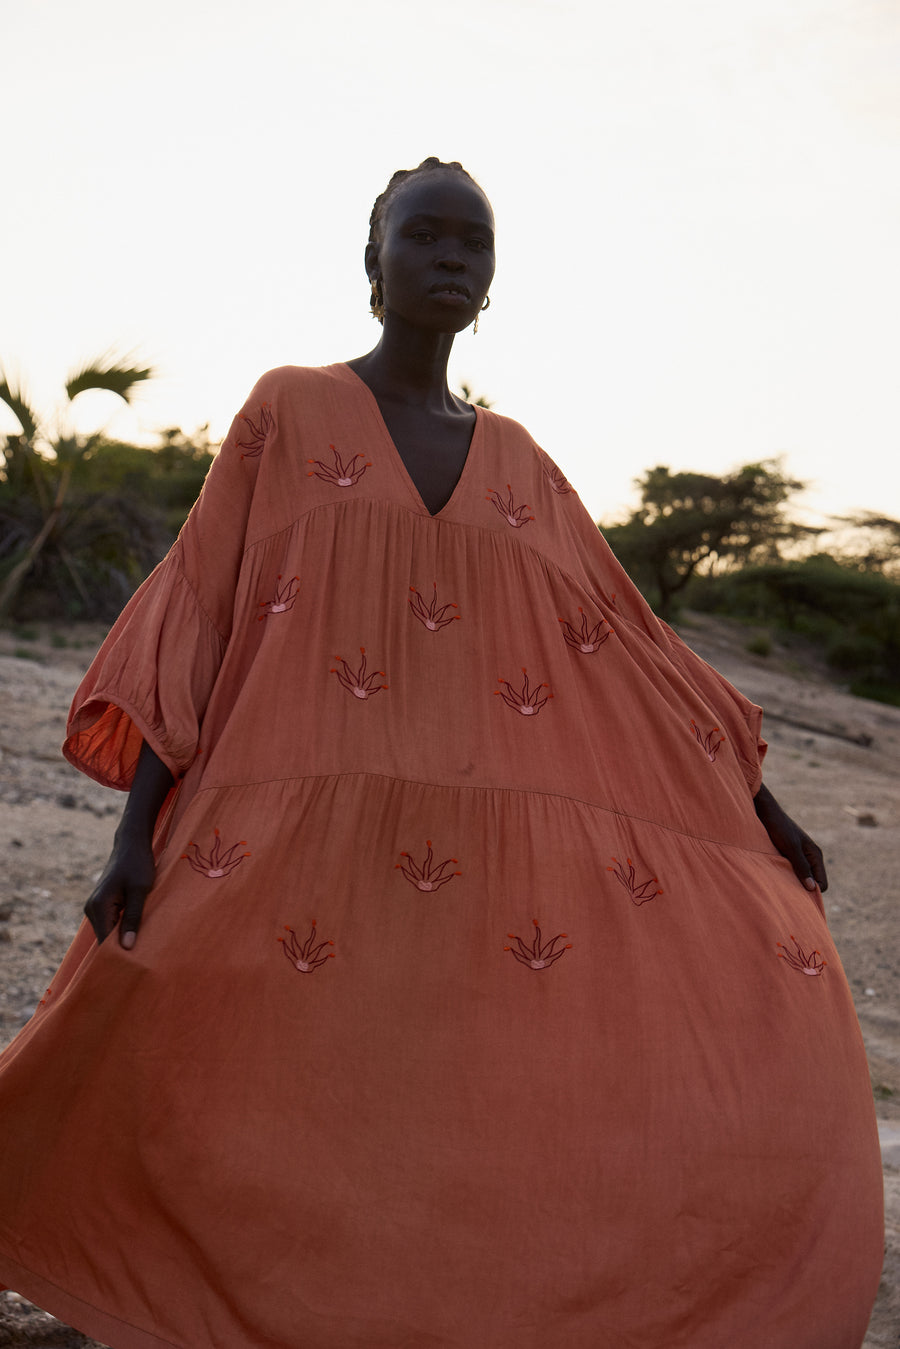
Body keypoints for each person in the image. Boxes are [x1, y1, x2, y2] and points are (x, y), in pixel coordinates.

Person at [0, 157, 883, 1349]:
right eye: (424, 236)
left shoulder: (516, 457)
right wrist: (132, 830)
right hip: (295, 824)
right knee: (217, 1046)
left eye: (474, 240)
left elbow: (623, 637)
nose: (451, 257)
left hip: (480, 845)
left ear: (493, 279)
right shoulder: (287, 410)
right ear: (373, 265)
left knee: (449, 1089)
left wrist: (759, 803)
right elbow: (201, 609)